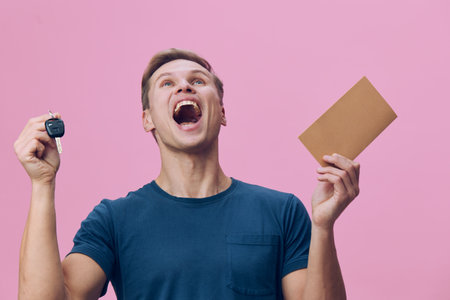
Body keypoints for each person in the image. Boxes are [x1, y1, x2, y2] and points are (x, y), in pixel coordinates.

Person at [14, 48, 360, 300]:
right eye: (167, 84)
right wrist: (42, 184)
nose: (184, 88)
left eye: (198, 80)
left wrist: (323, 227)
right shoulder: (113, 220)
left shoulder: (281, 211)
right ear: (148, 119)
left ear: (222, 112)